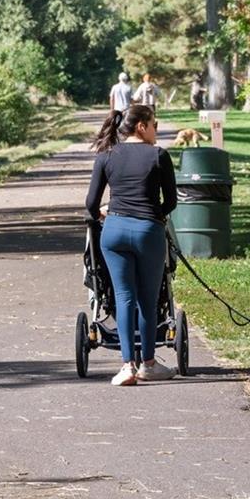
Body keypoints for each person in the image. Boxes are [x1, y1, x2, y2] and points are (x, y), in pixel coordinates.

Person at [86, 104, 178, 385]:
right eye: (154, 125)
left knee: (124, 297)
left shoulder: (106, 156)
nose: (156, 131)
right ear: (142, 126)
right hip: (147, 231)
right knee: (147, 300)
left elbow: (91, 205)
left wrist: (106, 212)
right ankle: (148, 364)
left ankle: (127, 366)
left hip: (113, 233)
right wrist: (153, 216)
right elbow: (171, 202)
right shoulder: (158, 156)